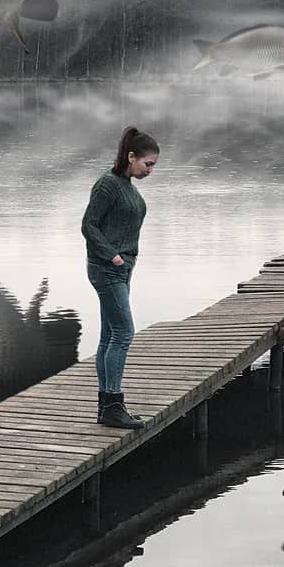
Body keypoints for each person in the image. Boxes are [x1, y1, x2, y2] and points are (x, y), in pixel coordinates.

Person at [81, 126, 160, 429]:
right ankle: (113, 404)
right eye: (147, 164)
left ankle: (107, 407)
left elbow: (127, 225)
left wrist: (132, 255)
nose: (150, 171)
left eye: (153, 165)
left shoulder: (126, 184)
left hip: (121, 268)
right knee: (124, 333)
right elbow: (89, 226)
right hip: (107, 268)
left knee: (109, 335)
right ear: (131, 156)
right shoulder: (108, 185)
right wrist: (113, 255)